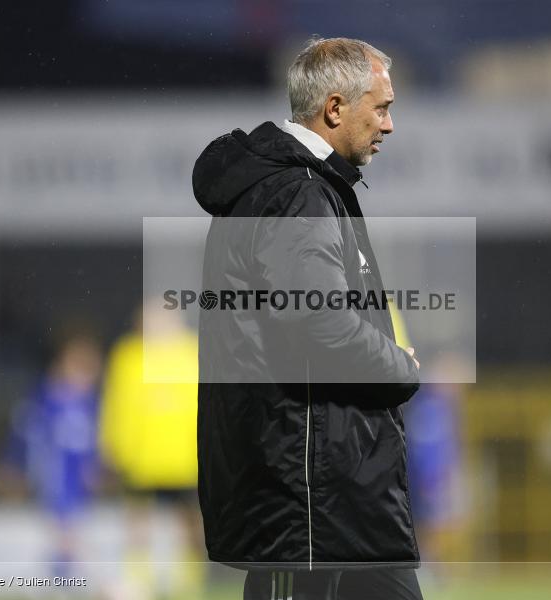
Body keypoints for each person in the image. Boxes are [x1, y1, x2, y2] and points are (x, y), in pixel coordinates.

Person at [192, 37, 424, 599]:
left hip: (340, 490)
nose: (389, 124)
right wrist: (401, 367)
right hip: (304, 495)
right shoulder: (295, 193)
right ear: (336, 108)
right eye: (382, 107)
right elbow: (320, 324)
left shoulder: (304, 187)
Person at [99, 302, 203, 600]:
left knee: (190, 520)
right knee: (137, 521)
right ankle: (137, 581)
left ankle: (189, 580)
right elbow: (116, 404)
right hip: (141, 457)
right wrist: (112, 445)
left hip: (183, 457)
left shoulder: (191, 351)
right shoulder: (128, 356)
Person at [0, 322, 104, 578]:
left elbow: (98, 442)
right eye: (81, 366)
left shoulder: (93, 403)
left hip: (80, 485)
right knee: (60, 533)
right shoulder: (44, 399)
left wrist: (98, 465)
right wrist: (11, 467)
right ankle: (59, 580)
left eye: (91, 368)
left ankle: (65, 579)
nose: (87, 375)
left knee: (73, 537)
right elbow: (22, 435)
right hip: (53, 478)